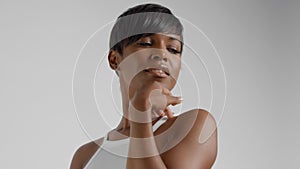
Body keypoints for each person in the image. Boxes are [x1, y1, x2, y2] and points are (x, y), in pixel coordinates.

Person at [70, 3, 218, 169]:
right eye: (146, 43)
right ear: (114, 59)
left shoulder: (193, 126)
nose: (162, 54)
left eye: (173, 49)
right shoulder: (85, 157)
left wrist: (140, 112)